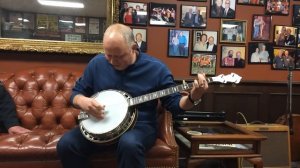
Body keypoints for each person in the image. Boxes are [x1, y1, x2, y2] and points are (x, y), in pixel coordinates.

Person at [56, 23, 208, 168]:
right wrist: (83, 101)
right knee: (66, 144)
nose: (112, 61)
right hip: (100, 124)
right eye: (108, 55)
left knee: (129, 144)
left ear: (134, 48)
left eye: (118, 56)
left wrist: (193, 97)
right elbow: (76, 94)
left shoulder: (156, 69)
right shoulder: (97, 63)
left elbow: (175, 105)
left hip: (140, 126)